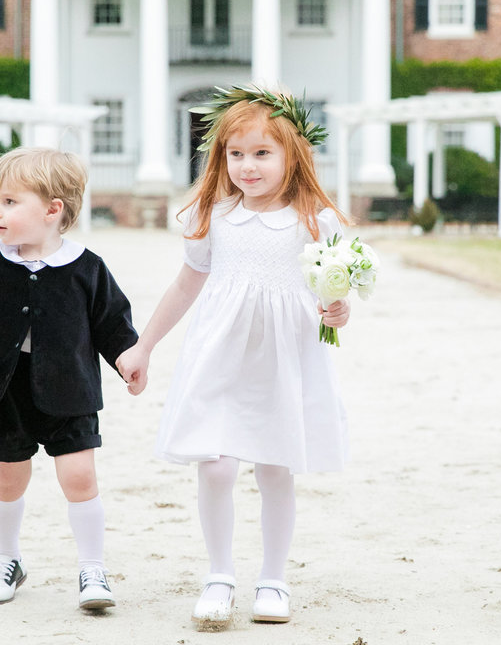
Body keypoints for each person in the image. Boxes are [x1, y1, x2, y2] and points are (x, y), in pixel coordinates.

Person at [116, 85, 351, 631]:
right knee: (216, 465)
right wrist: (144, 345)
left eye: (262, 153)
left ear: (293, 154)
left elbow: (330, 293)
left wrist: (337, 312)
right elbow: (185, 285)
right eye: (235, 153)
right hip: (220, 353)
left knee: (274, 465)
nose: (247, 166)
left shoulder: (316, 219)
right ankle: (219, 575)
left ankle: (273, 578)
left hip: (282, 358)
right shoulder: (213, 215)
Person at [0, 147, 144, 612]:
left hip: (69, 389)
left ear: (53, 210)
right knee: (8, 479)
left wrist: (128, 359)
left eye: (11, 202)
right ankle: (7, 558)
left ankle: (92, 567)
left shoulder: (86, 267)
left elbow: (114, 323)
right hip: (5, 391)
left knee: (79, 477)